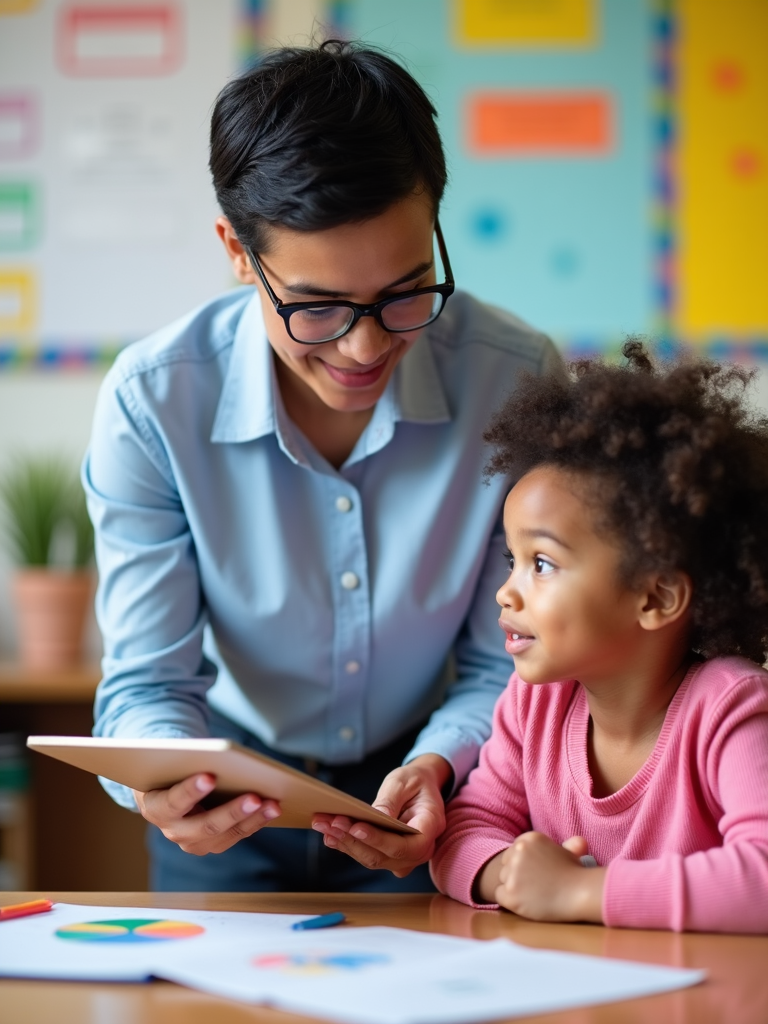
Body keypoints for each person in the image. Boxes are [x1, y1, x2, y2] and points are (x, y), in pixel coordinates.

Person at [83, 39, 561, 892]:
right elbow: (149, 679)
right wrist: (165, 780)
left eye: (407, 291)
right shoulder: (153, 403)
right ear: (238, 251)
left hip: (441, 795)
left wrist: (441, 766)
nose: (366, 345)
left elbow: (512, 660)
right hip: (228, 814)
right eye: (317, 307)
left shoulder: (514, 380)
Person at [430, 340, 768, 932]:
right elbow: (464, 826)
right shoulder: (536, 705)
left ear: (655, 598)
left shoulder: (731, 710)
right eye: (512, 559)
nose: (506, 594)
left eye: (542, 564)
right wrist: (507, 873)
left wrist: (579, 892)